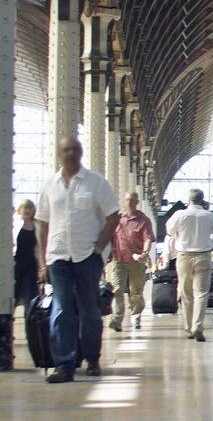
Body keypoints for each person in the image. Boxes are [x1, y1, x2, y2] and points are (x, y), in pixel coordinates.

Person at [35, 136, 121, 383]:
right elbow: (43, 224)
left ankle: (92, 359)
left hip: (87, 256)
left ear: (80, 153)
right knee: (62, 310)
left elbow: (113, 216)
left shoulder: (96, 183)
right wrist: (44, 261)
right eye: (66, 150)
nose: (70, 153)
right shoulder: (50, 185)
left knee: (89, 309)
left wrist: (99, 248)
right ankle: (65, 364)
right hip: (58, 256)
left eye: (74, 149)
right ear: (59, 153)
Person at [166, 189, 213, 342]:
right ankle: (198, 327)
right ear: (203, 201)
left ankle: (189, 329)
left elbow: (169, 230)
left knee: (186, 294)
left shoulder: (179, 215)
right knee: (201, 294)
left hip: (184, 257)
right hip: (203, 256)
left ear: (188, 200)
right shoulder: (208, 215)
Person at [107, 191, 155, 331]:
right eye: (127, 200)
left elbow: (147, 239)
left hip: (137, 262)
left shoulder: (144, 221)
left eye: (132, 200)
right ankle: (116, 319)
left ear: (137, 202)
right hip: (119, 260)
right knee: (117, 290)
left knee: (136, 292)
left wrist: (145, 252)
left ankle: (136, 315)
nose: (129, 203)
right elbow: (111, 236)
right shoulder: (118, 219)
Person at [13, 200, 41, 313]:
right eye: (25, 208)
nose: (27, 210)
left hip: (31, 265)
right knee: (13, 294)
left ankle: (30, 325)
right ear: (20, 210)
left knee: (30, 297)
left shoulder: (37, 225)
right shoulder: (14, 224)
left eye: (30, 208)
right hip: (15, 264)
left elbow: (39, 248)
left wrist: (41, 266)